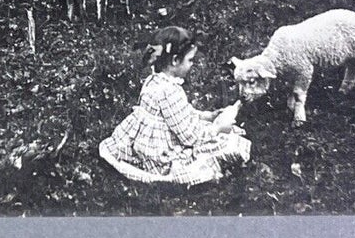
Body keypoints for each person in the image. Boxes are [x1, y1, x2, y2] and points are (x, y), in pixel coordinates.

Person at [99, 26, 249, 186]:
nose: (192, 64)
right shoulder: (169, 91)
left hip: (147, 138)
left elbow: (180, 113)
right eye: (190, 60)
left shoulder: (154, 79)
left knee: (217, 131)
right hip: (159, 149)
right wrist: (218, 127)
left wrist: (208, 116)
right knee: (226, 142)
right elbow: (190, 136)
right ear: (175, 60)